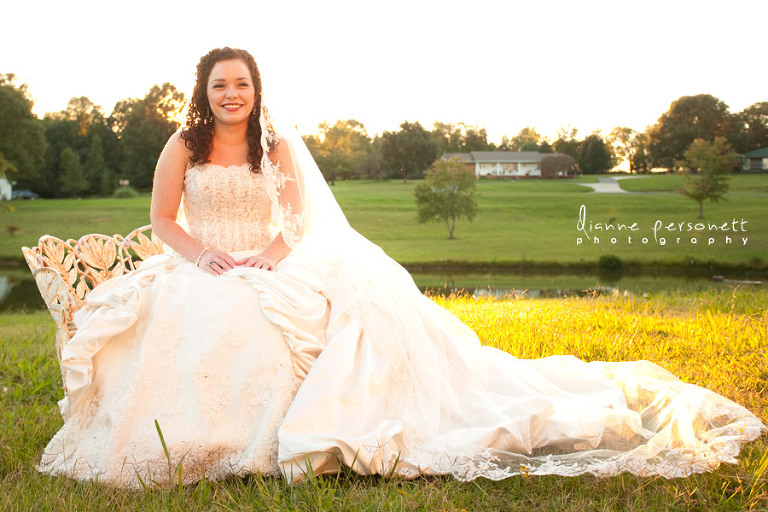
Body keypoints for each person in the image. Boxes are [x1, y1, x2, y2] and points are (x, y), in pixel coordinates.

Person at [38, 47, 765, 487]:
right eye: (220, 85)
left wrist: (264, 258)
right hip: (200, 265)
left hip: (269, 260)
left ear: (257, 92)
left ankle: (265, 441)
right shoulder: (182, 146)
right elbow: (166, 221)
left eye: (243, 85)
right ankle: (200, 443)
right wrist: (205, 257)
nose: (231, 95)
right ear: (204, 92)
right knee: (192, 314)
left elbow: (293, 224)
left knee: (271, 313)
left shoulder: (277, 147)